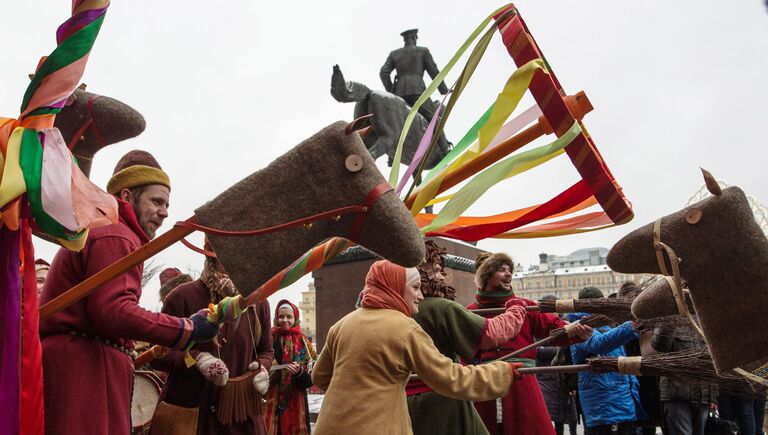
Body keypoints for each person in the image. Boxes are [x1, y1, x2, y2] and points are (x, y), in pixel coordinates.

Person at [39, 150, 220, 435]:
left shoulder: (109, 230)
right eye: (156, 201)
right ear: (126, 197)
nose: (164, 212)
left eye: (167, 205)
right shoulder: (116, 233)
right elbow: (114, 311)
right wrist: (187, 328)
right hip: (85, 369)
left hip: (86, 365)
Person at [312, 259, 523, 435]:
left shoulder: (342, 324)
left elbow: (319, 376)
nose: (420, 296)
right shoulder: (405, 328)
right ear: (394, 287)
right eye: (414, 288)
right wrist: (501, 372)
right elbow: (449, 377)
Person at [406, 241, 528, 435]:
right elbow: (491, 332)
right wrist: (517, 309)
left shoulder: (396, 311)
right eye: (436, 270)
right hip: (442, 399)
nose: (442, 276)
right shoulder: (440, 308)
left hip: (405, 402)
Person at [467, 253, 593, 435]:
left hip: (522, 383)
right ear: (486, 276)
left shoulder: (525, 306)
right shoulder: (469, 312)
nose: (509, 274)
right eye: (502, 270)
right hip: (485, 384)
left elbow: (554, 328)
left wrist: (576, 331)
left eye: (510, 270)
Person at [152, 252, 274, 434]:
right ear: (213, 250)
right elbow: (157, 355)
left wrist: (262, 368)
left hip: (242, 419)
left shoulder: (259, 301)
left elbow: (266, 351)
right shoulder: (182, 297)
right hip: (193, 418)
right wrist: (196, 360)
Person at [570, 287, 647, 435]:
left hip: (622, 402)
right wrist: (631, 325)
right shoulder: (579, 328)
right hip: (604, 407)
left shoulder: (606, 325)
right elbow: (600, 343)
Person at [264, 299, 317, 435]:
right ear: (276, 318)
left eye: (289, 317)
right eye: (281, 317)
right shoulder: (268, 339)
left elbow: (312, 376)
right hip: (270, 396)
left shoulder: (303, 342)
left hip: (296, 399)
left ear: (296, 318)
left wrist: (299, 372)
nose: (285, 320)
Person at [380, 29, 449, 120]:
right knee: (434, 118)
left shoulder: (394, 54)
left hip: (399, 94)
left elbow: (383, 72)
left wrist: (391, 92)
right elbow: (434, 72)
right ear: (414, 38)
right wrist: (443, 89)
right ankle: (440, 135)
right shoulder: (423, 51)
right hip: (417, 91)